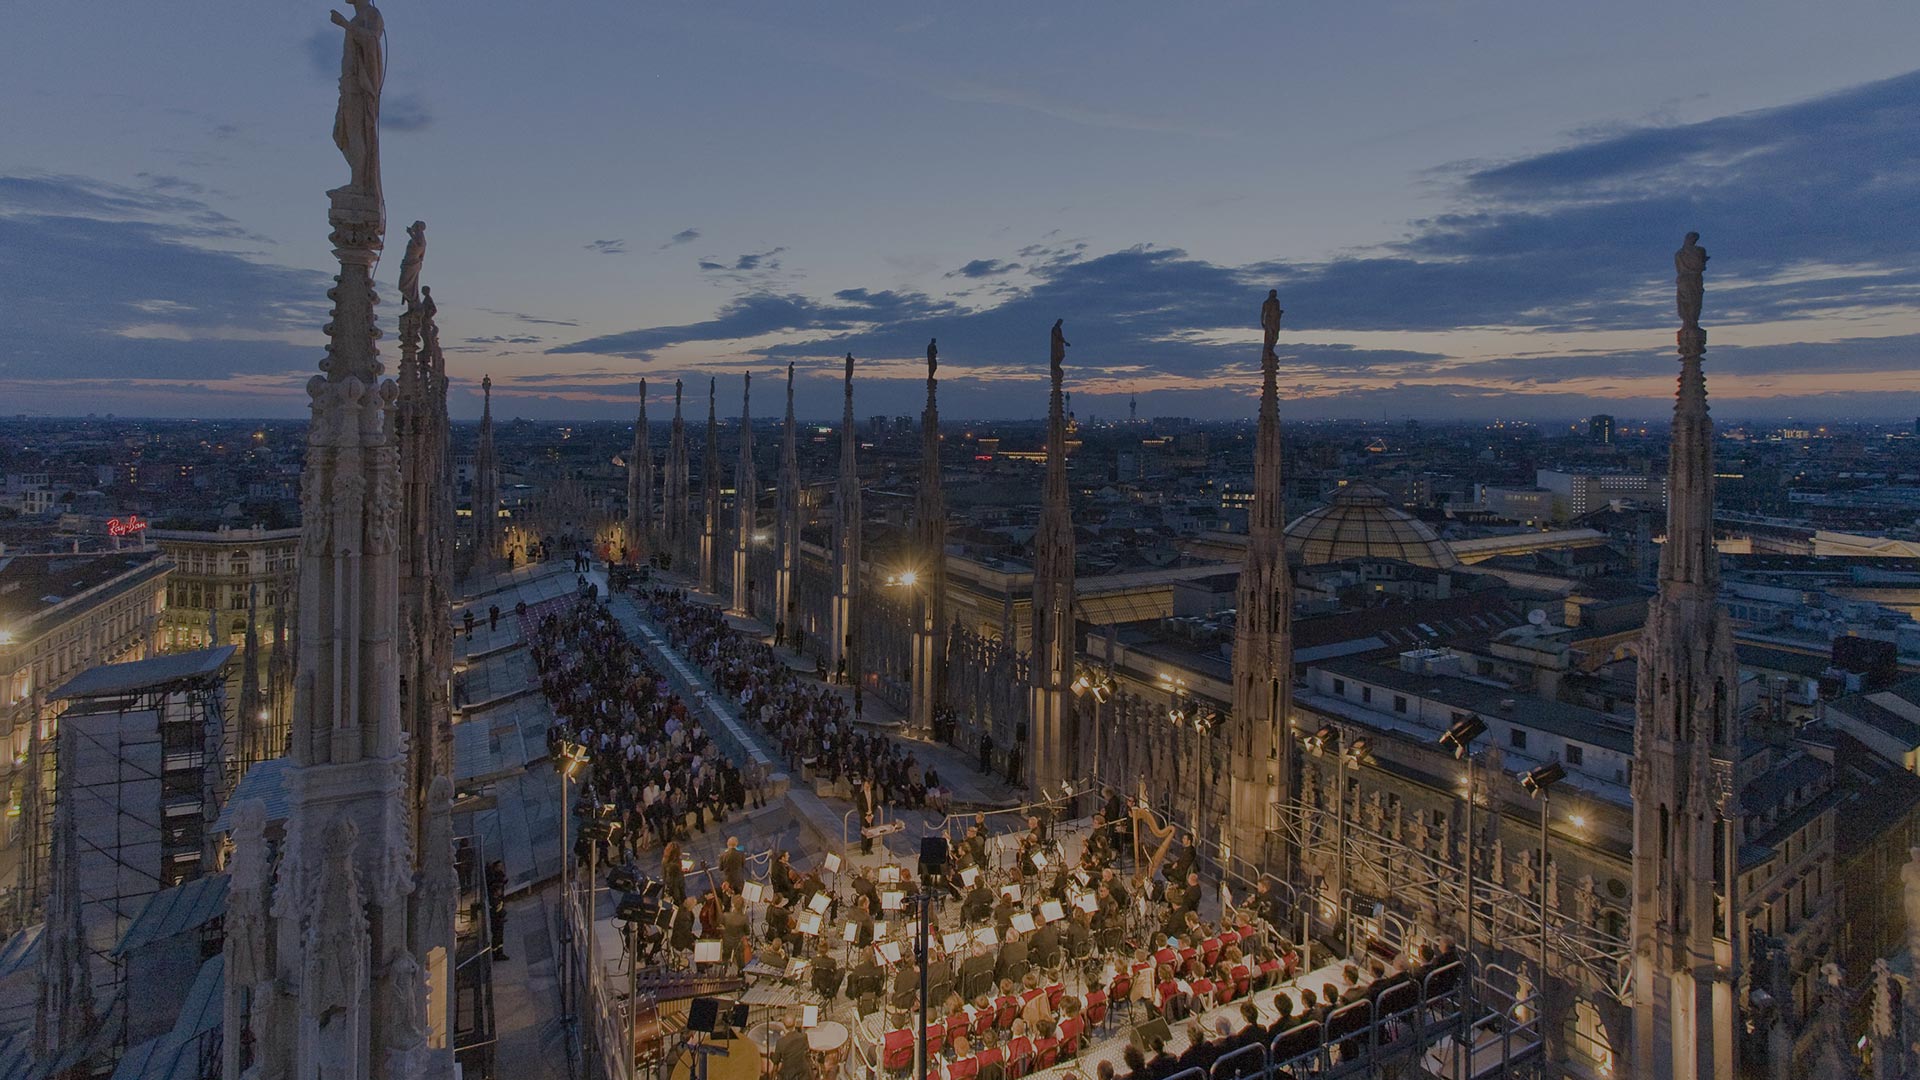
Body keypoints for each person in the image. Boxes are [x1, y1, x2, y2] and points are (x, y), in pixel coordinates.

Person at [486, 860, 509, 961]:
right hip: (496, 922)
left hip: (499, 920)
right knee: (497, 938)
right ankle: (496, 954)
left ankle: (499, 952)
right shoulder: (494, 901)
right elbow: (496, 911)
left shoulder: (496, 899)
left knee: (499, 938)